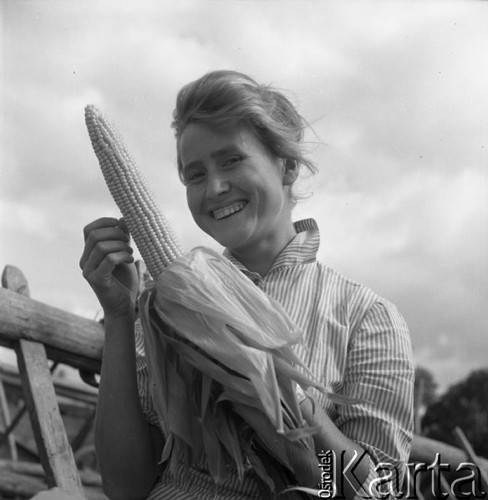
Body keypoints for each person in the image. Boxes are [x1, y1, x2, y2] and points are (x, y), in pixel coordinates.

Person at [80, 70, 414, 500]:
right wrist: (120, 316)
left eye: (232, 160)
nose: (214, 188)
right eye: (194, 175)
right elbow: (126, 488)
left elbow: (378, 493)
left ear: (288, 165)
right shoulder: (169, 304)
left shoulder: (368, 317)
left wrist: (284, 394)